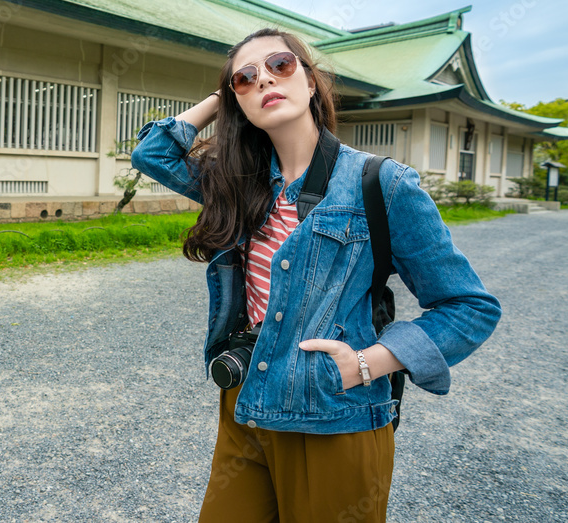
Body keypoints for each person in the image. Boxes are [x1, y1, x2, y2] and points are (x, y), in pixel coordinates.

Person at [130, 28, 501, 522]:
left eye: (280, 66)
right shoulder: (241, 182)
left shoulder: (380, 183)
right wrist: (222, 98)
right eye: (246, 78)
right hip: (247, 397)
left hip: (334, 410)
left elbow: (469, 307)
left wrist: (369, 363)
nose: (263, 79)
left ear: (311, 83)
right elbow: (152, 154)